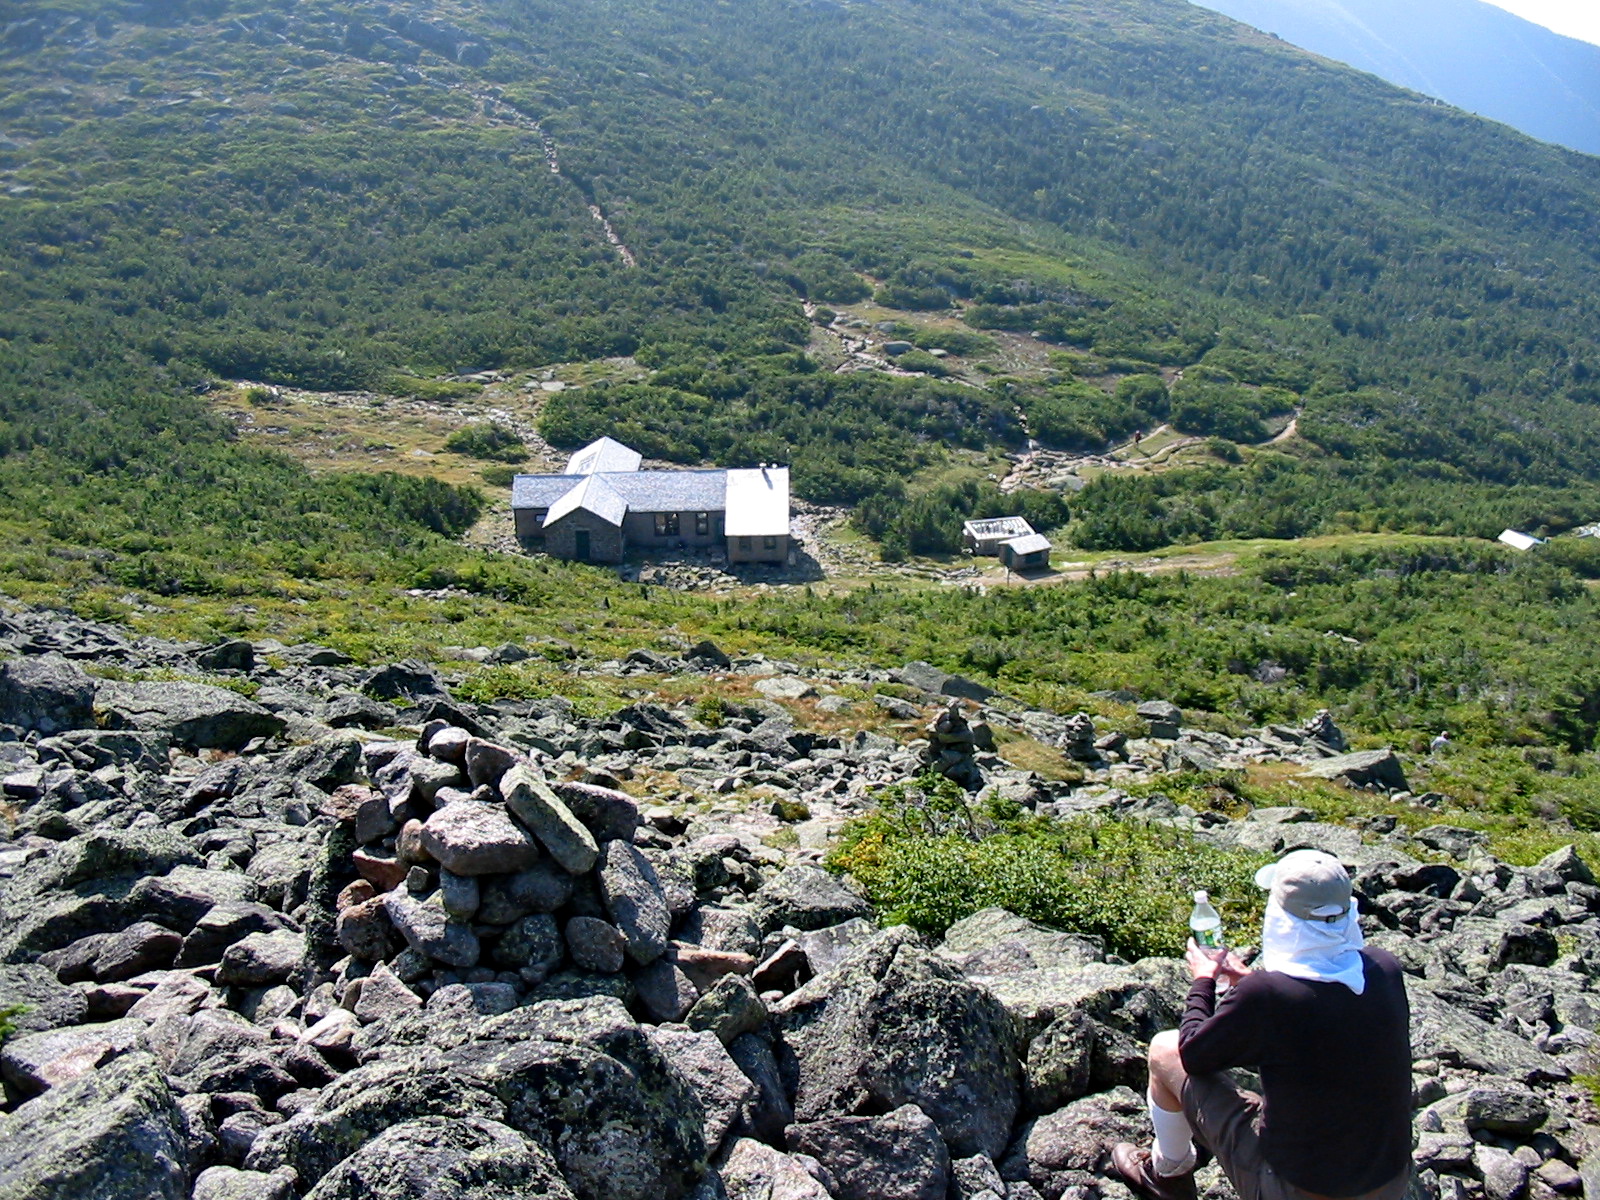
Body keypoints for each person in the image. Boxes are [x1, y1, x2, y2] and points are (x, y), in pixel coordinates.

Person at [1111, 849, 1413, 1200]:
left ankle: (1167, 1173)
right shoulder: (1383, 969)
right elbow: (1325, 1018)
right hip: (1389, 1182)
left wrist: (1203, 981)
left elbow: (1192, 1053)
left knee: (1165, 1049)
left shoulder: (1268, 996)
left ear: (1282, 919)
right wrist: (1249, 981)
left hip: (1296, 1189)